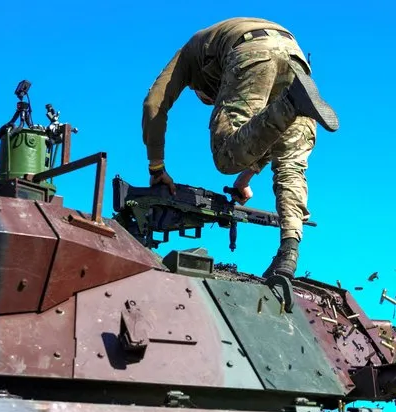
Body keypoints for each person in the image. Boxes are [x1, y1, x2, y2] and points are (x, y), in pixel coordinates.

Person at [141, 17, 339, 279]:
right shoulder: (217, 43)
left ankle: (291, 102)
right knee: (291, 166)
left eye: (210, 99)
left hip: (250, 50)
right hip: (296, 57)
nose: (213, 102)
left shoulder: (189, 56)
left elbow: (153, 105)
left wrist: (157, 167)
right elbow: (267, 133)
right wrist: (245, 178)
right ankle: (288, 252)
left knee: (225, 156)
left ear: (199, 87)